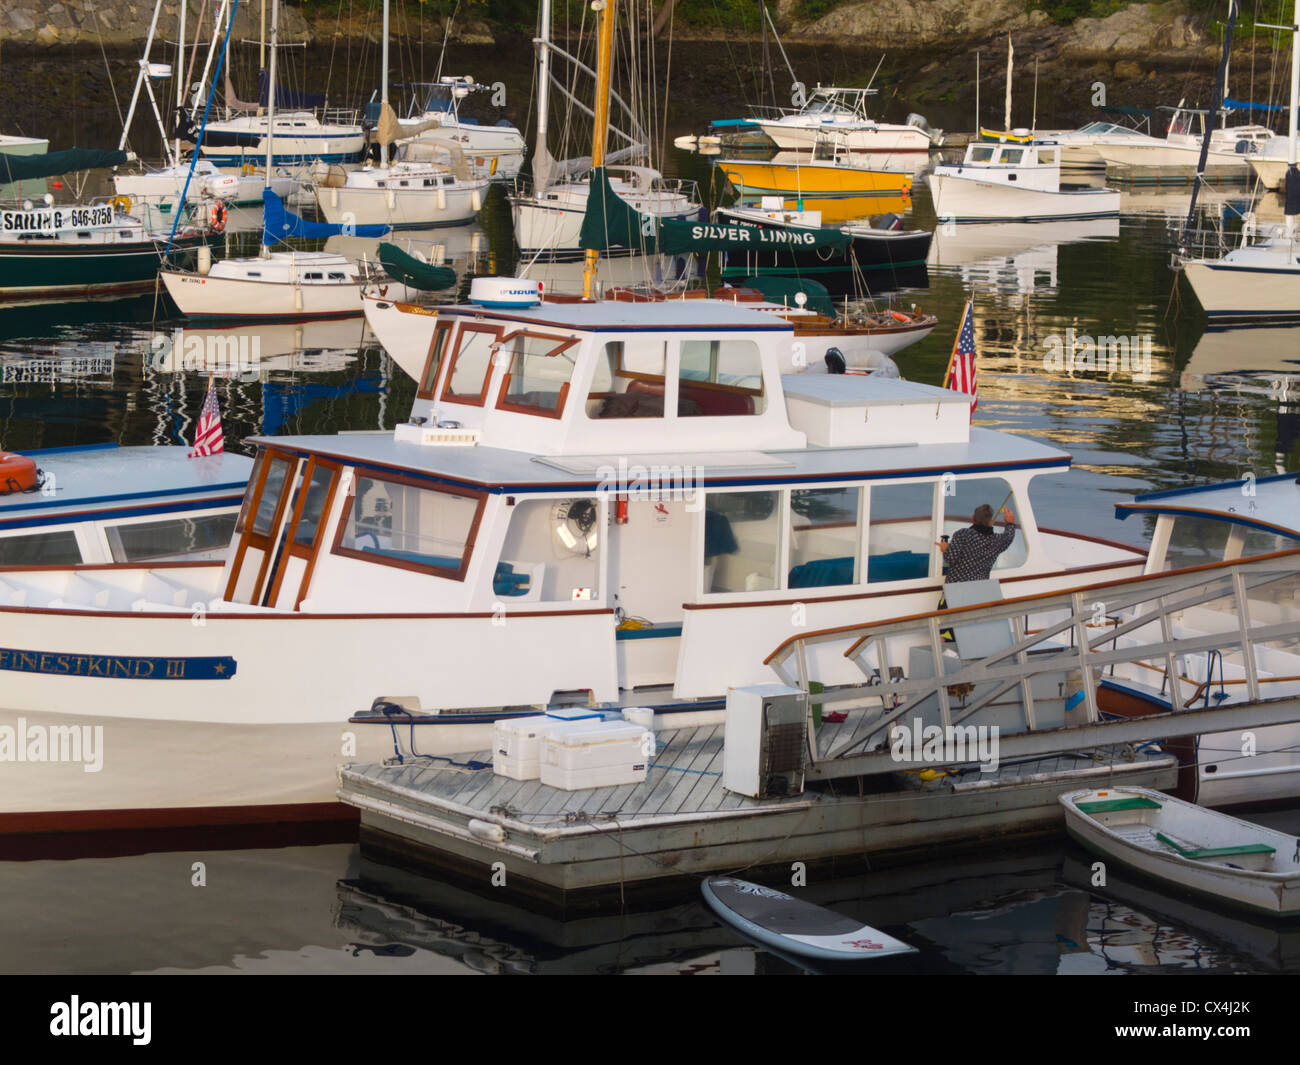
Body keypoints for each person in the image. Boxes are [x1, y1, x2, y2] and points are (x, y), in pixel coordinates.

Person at [938, 504, 1016, 583]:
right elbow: (1008, 537)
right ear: (990, 522)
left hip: (957, 587)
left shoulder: (963, 534)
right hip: (978, 589)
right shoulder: (996, 541)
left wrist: (945, 549)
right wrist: (1010, 522)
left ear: (972, 517)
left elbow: (950, 558)